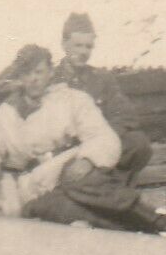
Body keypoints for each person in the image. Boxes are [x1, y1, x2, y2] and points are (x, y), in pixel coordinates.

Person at [0, 44, 166, 235]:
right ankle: (144, 232)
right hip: (34, 189)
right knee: (67, 211)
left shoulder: (72, 100)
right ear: (19, 78)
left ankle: (161, 222)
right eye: (27, 74)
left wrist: (87, 159)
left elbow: (101, 135)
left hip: (69, 171)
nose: (33, 80)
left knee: (86, 184)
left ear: (49, 73)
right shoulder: (5, 114)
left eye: (39, 72)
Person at [53, 12, 153, 185]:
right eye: (78, 45)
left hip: (99, 146)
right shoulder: (51, 80)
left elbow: (127, 117)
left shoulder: (102, 79)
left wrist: (99, 143)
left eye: (88, 47)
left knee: (138, 143)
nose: (84, 52)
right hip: (65, 151)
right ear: (64, 44)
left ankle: (114, 189)